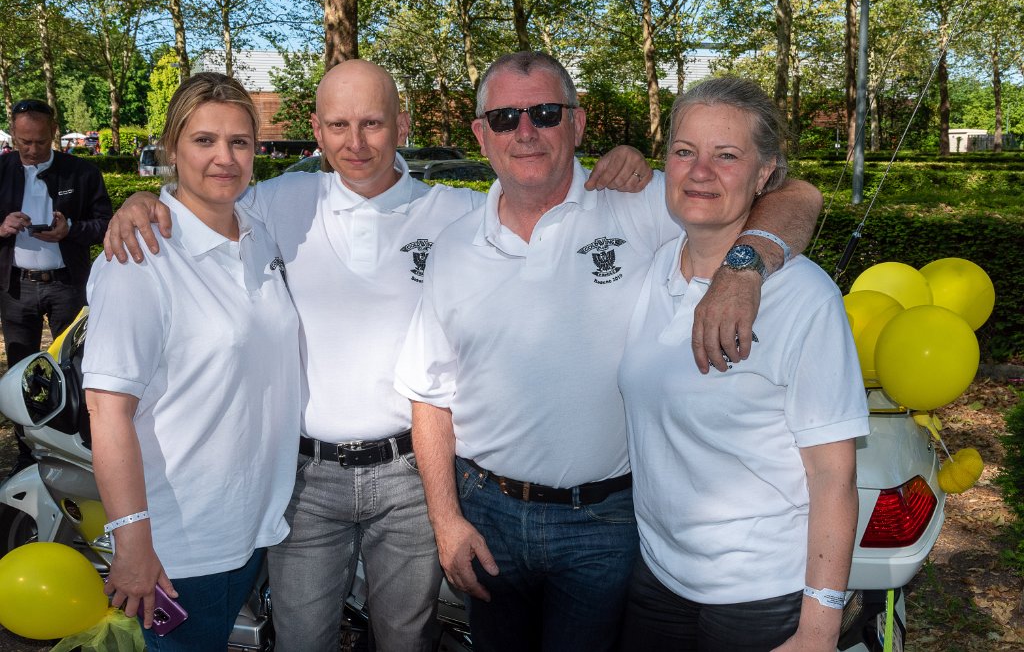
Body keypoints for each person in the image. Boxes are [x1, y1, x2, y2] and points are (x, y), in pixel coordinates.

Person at [102, 59, 650, 651]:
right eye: (338, 125)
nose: (356, 142)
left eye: (373, 123)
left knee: (406, 638)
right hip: (305, 478)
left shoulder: (457, 213)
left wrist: (621, 163)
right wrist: (143, 201)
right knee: (302, 639)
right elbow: (201, 200)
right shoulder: (277, 203)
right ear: (316, 130)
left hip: (410, 476)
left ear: (402, 125)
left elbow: (535, 193)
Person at [393, 53, 823, 652]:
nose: (525, 131)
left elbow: (796, 193)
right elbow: (429, 393)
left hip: (604, 521)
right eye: (505, 117)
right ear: (480, 134)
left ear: (577, 123)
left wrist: (743, 267)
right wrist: (446, 520)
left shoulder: (641, 204)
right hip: (487, 513)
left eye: (546, 113)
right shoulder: (454, 246)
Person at [617, 77, 869, 651]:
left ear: (764, 174)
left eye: (726, 156)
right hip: (659, 576)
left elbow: (834, 476)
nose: (700, 171)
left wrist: (818, 629)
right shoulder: (653, 268)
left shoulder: (804, 297)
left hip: (762, 595)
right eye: (685, 151)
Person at [82, 72, 301, 651]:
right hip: (180, 546)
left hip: (251, 526)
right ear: (172, 149)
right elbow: (106, 408)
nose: (224, 157)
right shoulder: (140, 258)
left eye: (239, 142)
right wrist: (132, 542)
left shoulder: (259, 235)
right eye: (204, 140)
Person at [0, 98, 112, 473]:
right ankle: (27, 455)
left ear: (53, 133)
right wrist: (2, 227)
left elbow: (106, 224)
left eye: (40, 142)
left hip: (66, 285)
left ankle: (76, 447)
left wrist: (71, 230)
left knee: (75, 370)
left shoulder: (81, 173)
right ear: (13, 134)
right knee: (21, 373)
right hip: (16, 288)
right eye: (24, 142)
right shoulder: (2, 170)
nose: (32, 150)